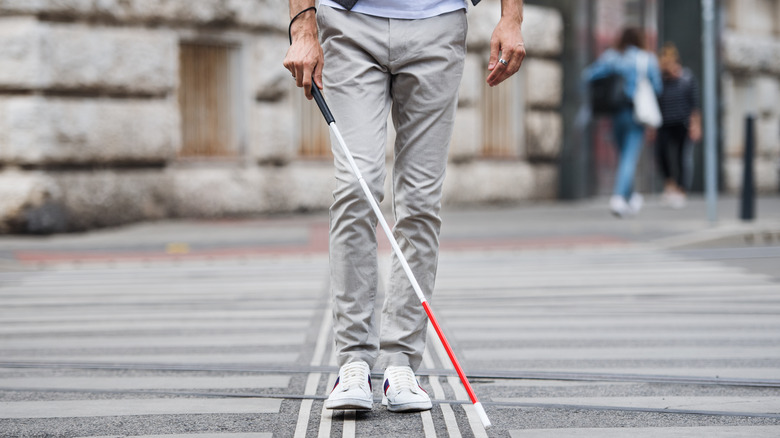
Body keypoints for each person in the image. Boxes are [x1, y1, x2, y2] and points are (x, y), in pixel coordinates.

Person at [284, 0, 525, 412]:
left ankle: (400, 363)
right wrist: (303, 29)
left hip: (438, 24)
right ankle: (354, 362)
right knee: (357, 187)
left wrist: (512, 17)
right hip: (349, 22)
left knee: (420, 201)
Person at [583, 28, 662, 218]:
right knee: (629, 157)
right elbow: (657, 87)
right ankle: (618, 198)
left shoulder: (611, 57)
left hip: (615, 113)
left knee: (624, 155)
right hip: (636, 114)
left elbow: (589, 75)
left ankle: (631, 197)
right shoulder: (646, 59)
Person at [655, 42, 701, 209]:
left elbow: (694, 103)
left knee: (683, 157)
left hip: (682, 122)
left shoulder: (686, 77)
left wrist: (696, 125)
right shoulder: (659, 79)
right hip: (663, 123)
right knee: (662, 155)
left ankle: (682, 190)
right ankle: (670, 185)